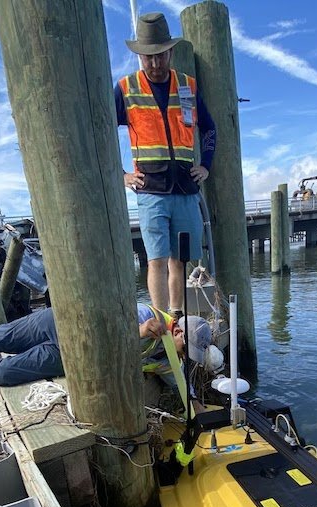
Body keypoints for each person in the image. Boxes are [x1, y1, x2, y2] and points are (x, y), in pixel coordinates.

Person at [116, 12, 216, 318]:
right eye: (148, 58)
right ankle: (159, 322)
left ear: (170, 51)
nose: (155, 64)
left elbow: (209, 129)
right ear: (140, 56)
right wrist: (121, 175)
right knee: (156, 260)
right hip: (151, 191)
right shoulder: (126, 88)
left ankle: (176, 319)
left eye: (160, 56)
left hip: (186, 189)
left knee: (180, 260)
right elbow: (100, 132)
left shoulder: (189, 86)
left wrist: (206, 165)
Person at [0, 305, 214, 389]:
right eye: (186, 349)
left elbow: (182, 389)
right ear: (180, 333)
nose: (184, 357)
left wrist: (199, 411)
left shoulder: (169, 362)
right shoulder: (148, 316)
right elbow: (104, 322)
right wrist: (138, 331)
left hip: (73, 354)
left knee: (1, 375)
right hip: (60, 322)